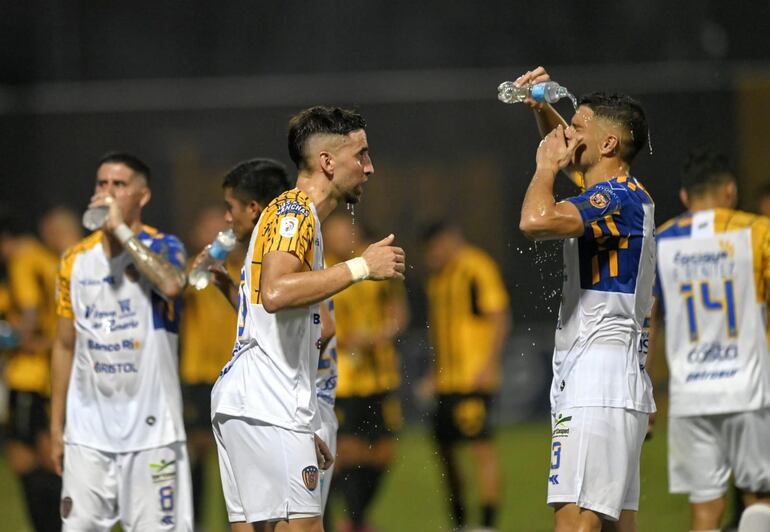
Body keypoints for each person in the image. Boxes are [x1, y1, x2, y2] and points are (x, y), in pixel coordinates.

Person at [210, 106, 406, 532]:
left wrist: (306, 423)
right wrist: (361, 268)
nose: (370, 168)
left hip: (257, 404)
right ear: (327, 162)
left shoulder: (297, 217)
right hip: (265, 405)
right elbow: (276, 293)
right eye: (362, 156)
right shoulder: (294, 212)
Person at [516, 66, 655, 531]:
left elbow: (535, 221)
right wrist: (542, 109)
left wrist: (544, 167)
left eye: (578, 127)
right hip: (614, 379)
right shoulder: (625, 196)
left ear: (609, 145)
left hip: (597, 382)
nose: (565, 133)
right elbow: (578, 158)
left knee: (575, 523)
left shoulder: (614, 198)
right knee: (618, 524)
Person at [50, 152, 192, 530]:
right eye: (102, 184)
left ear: (142, 196)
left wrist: (122, 232)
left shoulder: (164, 246)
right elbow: (65, 345)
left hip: (153, 432)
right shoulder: (74, 260)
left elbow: (171, 284)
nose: (107, 192)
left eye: (119, 185)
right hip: (87, 435)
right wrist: (56, 427)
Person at [197, 158, 339, 525]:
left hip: (289, 403)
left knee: (263, 523)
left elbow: (322, 326)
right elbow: (290, 326)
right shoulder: (273, 246)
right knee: (292, 523)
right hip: (281, 404)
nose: (228, 219)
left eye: (230, 208)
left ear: (253, 208)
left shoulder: (284, 241)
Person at [649, 148, 770, 532]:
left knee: (705, 510)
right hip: (749, 389)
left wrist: (646, 389)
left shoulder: (660, 240)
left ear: (685, 197)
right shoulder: (757, 232)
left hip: (690, 395)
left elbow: (646, 321)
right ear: (730, 191)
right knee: (759, 501)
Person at [420, 220, 510, 532]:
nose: (431, 255)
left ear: (448, 241)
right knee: (445, 454)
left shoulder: (476, 267)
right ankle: (459, 523)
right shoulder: (437, 279)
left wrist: (488, 366)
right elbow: (441, 334)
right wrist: (434, 373)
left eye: (434, 247)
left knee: (481, 451)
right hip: (446, 383)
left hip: (474, 379)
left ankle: (486, 525)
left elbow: (499, 317)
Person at [323, 212, 409, 532]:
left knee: (384, 452)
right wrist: (345, 339)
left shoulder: (375, 266)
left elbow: (399, 313)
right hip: (343, 379)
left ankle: (355, 517)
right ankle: (349, 521)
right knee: (345, 452)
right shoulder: (325, 271)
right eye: (334, 233)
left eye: (346, 231)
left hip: (380, 375)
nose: (341, 238)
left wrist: (383, 333)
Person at [0, 207, 81, 531]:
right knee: (45, 455)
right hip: (49, 374)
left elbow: (31, 312)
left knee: (27, 458)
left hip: (29, 375)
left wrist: (13, 338)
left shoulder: (23, 258)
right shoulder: (49, 260)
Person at [180, 205, 243, 529]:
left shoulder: (242, 271)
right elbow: (179, 290)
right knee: (196, 454)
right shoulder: (193, 270)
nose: (217, 236)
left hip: (233, 374)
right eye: (209, 229)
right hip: (197, 376)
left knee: (235, 460)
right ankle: (196, 524)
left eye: (222, 231)